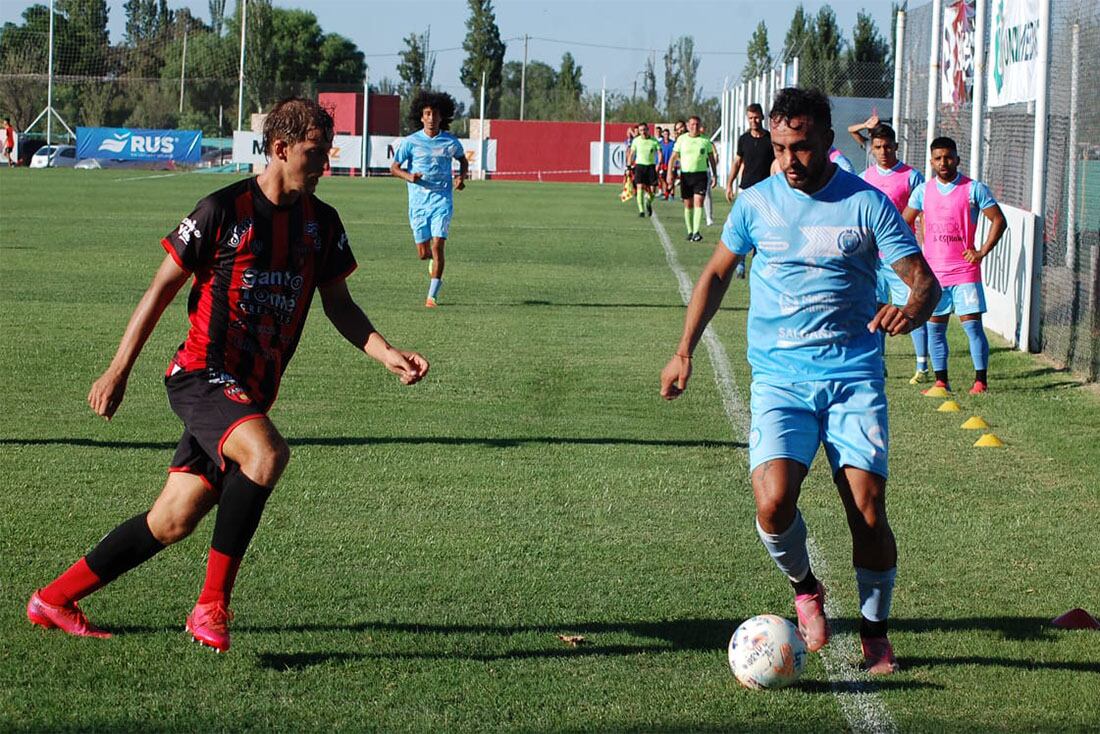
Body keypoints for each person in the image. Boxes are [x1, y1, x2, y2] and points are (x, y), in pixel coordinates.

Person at [25, 98, 430, 653]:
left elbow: (338, 302)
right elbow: (160, 289)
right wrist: (117, 369)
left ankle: (53, 599)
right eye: (315, 154)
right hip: (200, 374)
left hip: (249, 391)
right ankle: (210, 607)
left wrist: (385, 353)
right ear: (281, 148)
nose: (324, 165)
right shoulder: (222, 210)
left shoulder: (323, 224)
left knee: (172, 519)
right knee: (265, 454)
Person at [660, 88, 940, 675]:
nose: (789, 160)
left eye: (802, 148)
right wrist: (684, 350)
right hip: (780, 379)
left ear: (827, 144)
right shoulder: (757, 203)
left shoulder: (866, 206)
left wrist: (908, 312)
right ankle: (806, 588)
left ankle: (875, 632)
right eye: (781, 147)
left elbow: (924, 284)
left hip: (852, 378)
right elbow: (715, 273)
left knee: (866, 510)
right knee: (772, 502)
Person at [903, 136, 1006, 395]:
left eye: (948, 157)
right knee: (935, 328)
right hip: (934, 275)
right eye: (938, 158)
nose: (943, 162)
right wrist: (914, 254)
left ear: (958, 159)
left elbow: (998, 221)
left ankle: (980, 381)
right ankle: (941, 382)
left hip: (964, 272)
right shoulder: (923, 192)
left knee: (972, 326)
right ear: (931, 162)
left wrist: (981, 251)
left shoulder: (974, 189)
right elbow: (904, 223)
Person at [855, 118, 930, 383]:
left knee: (911, 306)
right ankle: (879, 361)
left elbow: (922, 214)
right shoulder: (864, 178)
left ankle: (922, 365)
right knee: (874, 310)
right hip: (872, 258)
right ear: (872, 149)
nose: (884, 152)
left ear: (896, 146)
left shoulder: (912, 176)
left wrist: (922, 245)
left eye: (888, 146)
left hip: (901, 258)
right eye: (878, 147)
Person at [390, 90, 468, 308]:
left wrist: (460, 178)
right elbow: (394, 168)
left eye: (435, 113)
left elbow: (463, 161)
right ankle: (431, 261)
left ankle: (431, 296)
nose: (431, 118)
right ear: (421, 116)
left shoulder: (450, 142)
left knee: (438, 245)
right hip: (418, 204)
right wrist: (409, 176)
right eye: (427, 113)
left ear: (441, 116)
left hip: (442, 200)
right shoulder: (411, 142)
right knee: (423, 253)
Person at [725, 103, 775, 279]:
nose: (753, 121)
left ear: (762, 117)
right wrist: (730, 184)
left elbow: (776, 164)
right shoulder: (743, 139)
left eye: (756, 117)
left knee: (761, 227)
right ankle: (740, 262)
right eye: (750, 118)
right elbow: (737, 162)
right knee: (742, 226)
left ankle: (757, 261)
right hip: (745, 189)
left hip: (765, 191)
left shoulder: (770, 139)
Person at [666, 116, 717, 242]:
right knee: (688, 204)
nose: (695, 127)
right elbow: (673, 157)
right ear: (688, 126)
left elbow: (711, 158)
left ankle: (696, 232)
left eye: (697, 124)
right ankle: (690, 231)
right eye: (692, 124)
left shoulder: (705, 140)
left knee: (698, 202)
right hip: (686, 176)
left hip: (700, 176)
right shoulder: (682, 140)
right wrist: (669, 173)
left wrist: (715, 175)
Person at [628, 122, 661, 217]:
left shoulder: (654, 141)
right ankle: (641, 211)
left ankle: (648, 202)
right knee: (639, 187)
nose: (643, 132)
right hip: (639, 166)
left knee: (653, 191)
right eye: (641, 130)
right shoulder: (636, 141)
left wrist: (659, 163)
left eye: (644, 130)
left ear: (648, 130)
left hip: (651, 166)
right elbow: (632, 154)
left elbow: (659, 153)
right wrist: (629, 166)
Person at [657, 128, 675, 201]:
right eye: (664, 134)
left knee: (671, 179)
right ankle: (665, 194)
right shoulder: (660, 144)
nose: (666, 136)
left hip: (671, 164)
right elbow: (658, 154)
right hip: (663, 164)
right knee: (662, 179)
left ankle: (671, 194)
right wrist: (658, 163)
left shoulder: (673, 143)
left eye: (667, 134)